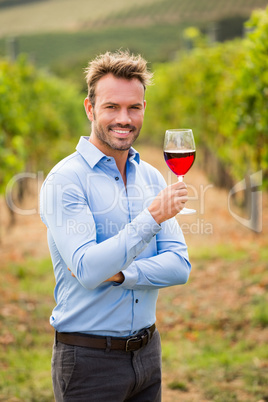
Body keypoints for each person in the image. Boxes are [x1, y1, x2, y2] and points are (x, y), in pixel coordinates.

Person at [40, 50, 191, 402]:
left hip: (147, 354)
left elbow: (179, 265)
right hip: (88, 361)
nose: (124, 118)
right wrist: (151, 217)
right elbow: (89, 270)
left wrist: (122, 274)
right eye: (111, 107)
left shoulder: (152, 176)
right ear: (90, 109)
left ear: (143, 109)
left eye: (133, 107)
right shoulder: (66, 180)